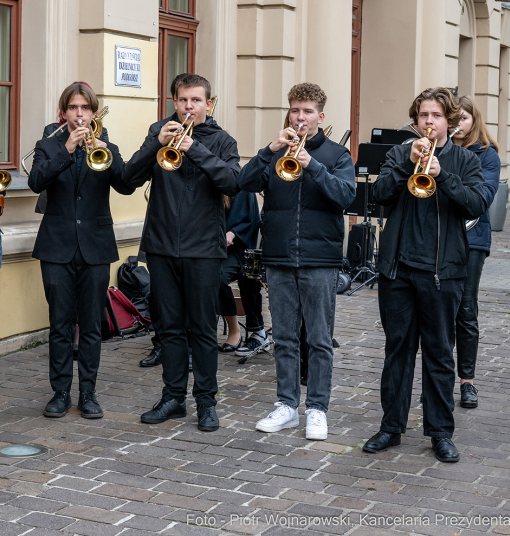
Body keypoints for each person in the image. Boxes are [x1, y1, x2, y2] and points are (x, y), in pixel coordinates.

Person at [363, 87, 488, 462]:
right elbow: (379, 195)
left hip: (442, 273)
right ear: (415, 121)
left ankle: (440, 432)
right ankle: (391, 427)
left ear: (448, 120)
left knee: (438, 353)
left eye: (435, 116)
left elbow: (478, 203)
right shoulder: (400, 153)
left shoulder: (465, 160)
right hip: (398, 271)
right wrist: (407, 165)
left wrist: (443, 174)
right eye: (422, 116)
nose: (428, 122)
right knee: (397, 350)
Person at [237, 83, 356, 439]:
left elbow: (345, 197)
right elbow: (242, 182)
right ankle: (287, 406)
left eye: (307, 112)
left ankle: (317, 409)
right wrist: (268, 150)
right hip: (279, 256)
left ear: (320, 116)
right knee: (286, 337)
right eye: (294, 110)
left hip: (320, 259)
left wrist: (313, 165)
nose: (300, 117)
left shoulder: (337, 155)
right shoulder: (276, 153)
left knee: (319, 339)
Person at [123, 73, 240, 432]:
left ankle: (206, 401)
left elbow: (234, 182)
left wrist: (196, 150)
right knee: (169, 327)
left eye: (196, 100)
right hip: (160, 246)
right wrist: (153, 145)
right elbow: (127, 180)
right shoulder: (159, 133)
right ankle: (173, 397)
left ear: (208, 103)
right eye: (183, 100)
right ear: (174, 101)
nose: (189, 107)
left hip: (204, 248)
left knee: (202, 329)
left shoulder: (222, 141)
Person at [28, 82, 135, 418]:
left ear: (93, 112)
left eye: (85, 108)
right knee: (59, 323)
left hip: (95, 246)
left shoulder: (107, 147)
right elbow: (35, 182)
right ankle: (60, 392)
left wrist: (108, 153)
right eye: (73, 108)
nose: (79, 114)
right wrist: (67, 150)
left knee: (90, 325)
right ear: (64, 112)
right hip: (56, 246)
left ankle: (88, 392)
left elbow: (126, 185)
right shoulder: (47, 146)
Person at [450, 95, 501, 409]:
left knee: (465, 309)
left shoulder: (487, 155)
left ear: (475, 121)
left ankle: (467, 381)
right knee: (440, 310)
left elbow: (483, 196)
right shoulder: (440, 150)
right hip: (441, 237)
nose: (458, 125)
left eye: (463, 119)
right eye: (453, 119)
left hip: (472, 239)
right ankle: (440, 378)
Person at [216, 192, 263, 353]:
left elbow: (252, 219)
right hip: (210, 247)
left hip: (238, 249)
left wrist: (233, 232)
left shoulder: (241, 182)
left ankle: (235, 330)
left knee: (220, 277)